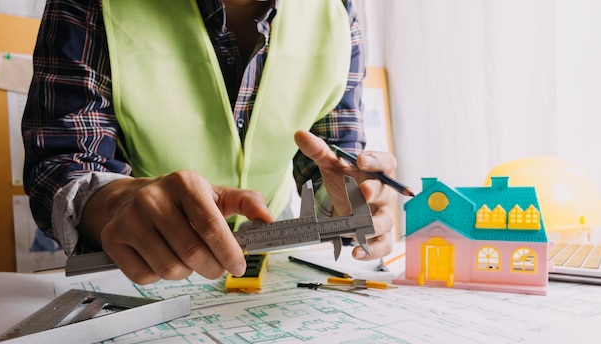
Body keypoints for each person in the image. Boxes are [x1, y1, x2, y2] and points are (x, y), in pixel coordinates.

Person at [22, 0, 398, 285]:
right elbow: (61, 166)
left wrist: (347, 206)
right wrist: (119, 202)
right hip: (143, 269)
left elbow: (332, 164)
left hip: (277, 271)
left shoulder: (339, 11)